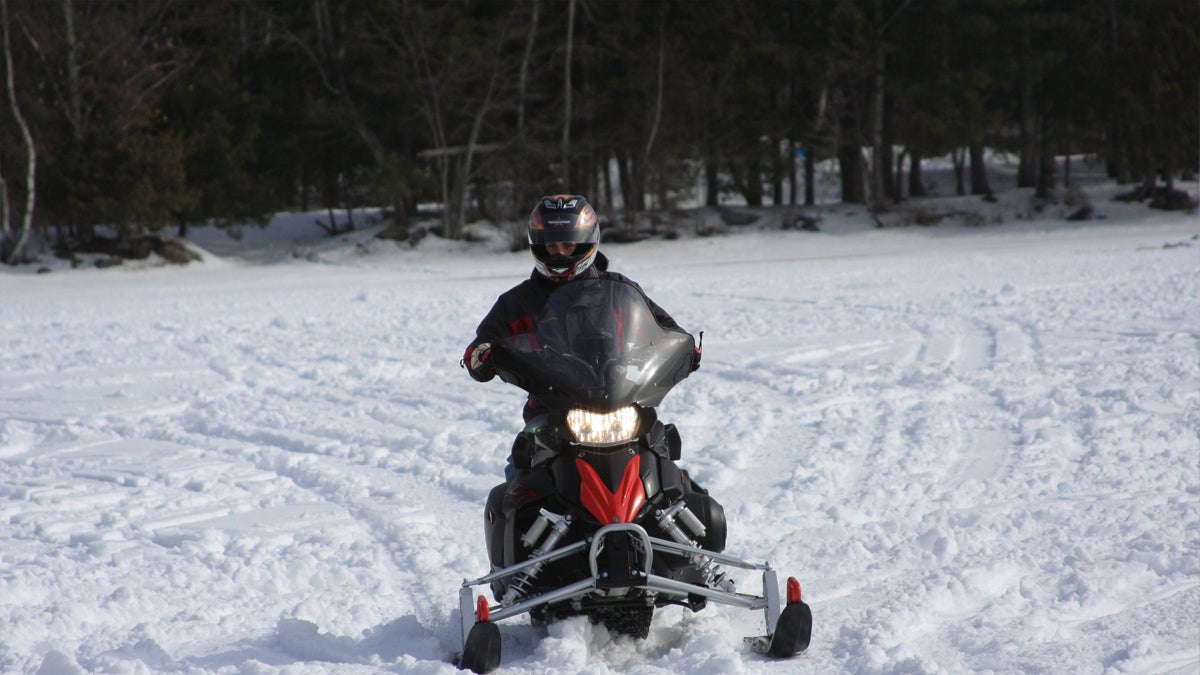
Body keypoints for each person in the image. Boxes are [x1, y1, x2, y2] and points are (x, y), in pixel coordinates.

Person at [462, 194, 700, 479]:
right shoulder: (517, 302)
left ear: (587, 244)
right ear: (538, 246)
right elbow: (483, 342)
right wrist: (482, 355)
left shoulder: (619, 291)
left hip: (623, 403)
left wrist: (683, 350)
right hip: (550, 412)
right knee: (520, 476)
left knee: (669, 472)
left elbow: (666, 330)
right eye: (551, 246)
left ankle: (689, 518)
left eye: (568, 245)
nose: (560, 254)